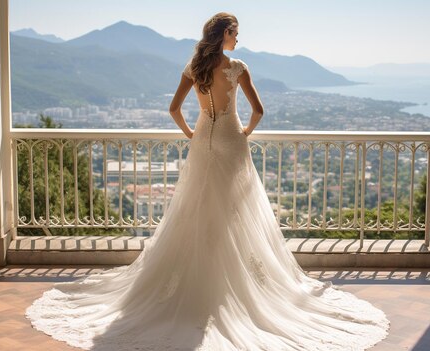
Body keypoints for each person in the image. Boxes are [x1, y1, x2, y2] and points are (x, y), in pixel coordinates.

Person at [26, 12, 389, 351]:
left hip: (202, 139)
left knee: (195, 207)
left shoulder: (195, 67)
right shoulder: (237, 68)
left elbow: (173, 109)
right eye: (235, 33)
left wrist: (191, 134)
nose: (238, 40)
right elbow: (259, 111)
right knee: (234, 211)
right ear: (224, 34)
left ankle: (194, 283)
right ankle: (229, 287)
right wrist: (245, 131)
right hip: (231, 141)